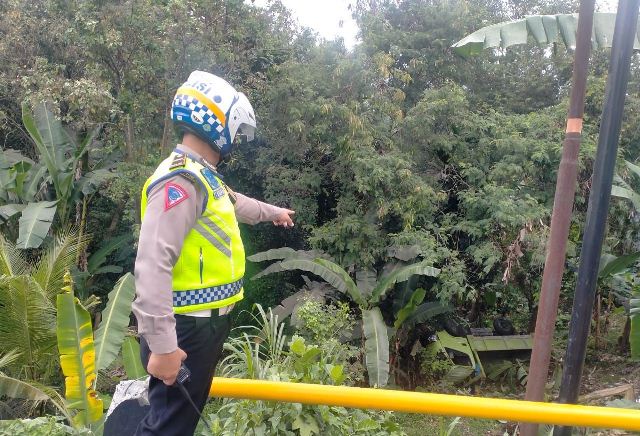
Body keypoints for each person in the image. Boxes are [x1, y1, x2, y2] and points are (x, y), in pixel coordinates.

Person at [132, 70, 295, 436]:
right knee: (167, 428)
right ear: (217, 123)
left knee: (177, 423)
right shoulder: (181, 181)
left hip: (200, 326)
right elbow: (152, 264)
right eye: (236, 130)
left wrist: (275, 213)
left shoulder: (204, 177)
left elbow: (237, 204)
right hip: (183, 330)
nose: (237, 140)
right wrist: (163, 346)